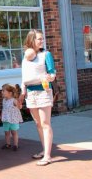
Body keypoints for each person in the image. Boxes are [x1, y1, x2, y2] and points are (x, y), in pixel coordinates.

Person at [19, 29, 56, 166]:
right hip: (30, 93)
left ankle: (47, 156)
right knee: (38, 124)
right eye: (39, 39)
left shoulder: (46, 54)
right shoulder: (26, 57)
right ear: (31, 40)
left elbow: (52, 74)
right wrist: (22, 94)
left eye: (42, 38)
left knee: (46, 124)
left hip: (43, 92)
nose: (42, 41)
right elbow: (24, 76)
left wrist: (48, 77)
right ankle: (44, 150)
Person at [1, 83, 24, 151]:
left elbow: (19, 107)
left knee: (14, 132)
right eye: (2, 90)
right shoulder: (4, 100)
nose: (2, 92)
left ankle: (15, 145)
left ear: (10, 93)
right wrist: (1, 115)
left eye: (3, 91)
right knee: (6, 132)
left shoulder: (14, 100)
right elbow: (4, 108)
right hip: (6, 119)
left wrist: (19, 103)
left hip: (13, 119)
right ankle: (8, 144)